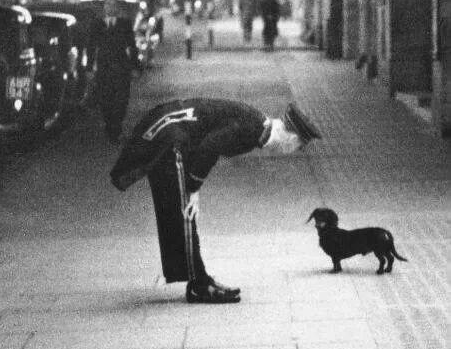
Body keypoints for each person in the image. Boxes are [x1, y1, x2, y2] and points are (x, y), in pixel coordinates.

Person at [110, 98, 322, 303]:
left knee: (175, 209)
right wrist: (193, 189)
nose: (294, 151)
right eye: (299, 146)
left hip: (168, 130)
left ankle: (196, 280)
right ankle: (199, 285)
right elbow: (210, 147)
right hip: (168, 135)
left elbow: (205, 142)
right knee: (183, 210)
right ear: (292, 139)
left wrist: (191, 184)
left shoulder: (256, 126)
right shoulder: (251, 128)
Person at [87, 0, 140, 144]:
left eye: (113, 5)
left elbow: (132, 45)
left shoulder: (124, 24)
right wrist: (89, 68)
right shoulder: (97, 24)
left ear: (117, 8)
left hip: (121, 67)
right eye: (107, 5)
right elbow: (91, 47)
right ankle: (110, 128)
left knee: (121, 100)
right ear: (104, 8)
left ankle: (116, 129)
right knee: (105, 100)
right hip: (104, 68)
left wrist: (135, 66)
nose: (110, 7)